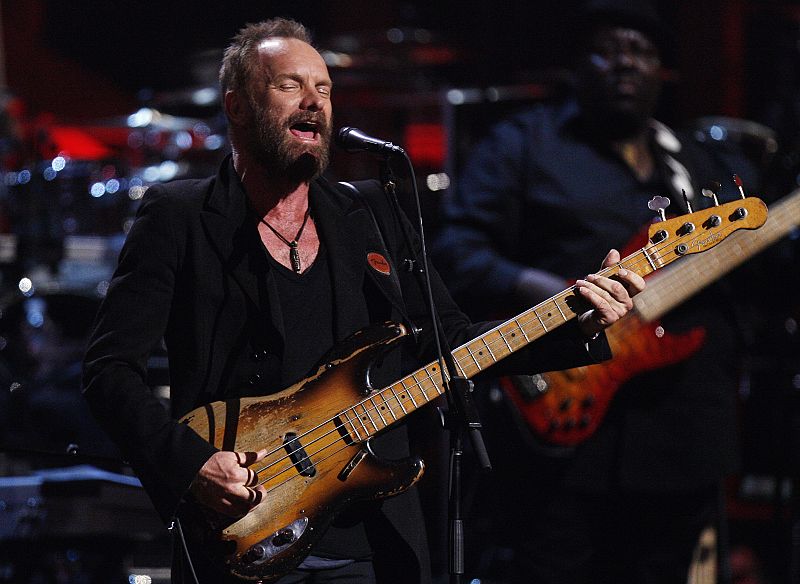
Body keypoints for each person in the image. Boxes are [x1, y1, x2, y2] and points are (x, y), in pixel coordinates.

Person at [81, 17, 643, 584]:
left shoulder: (370, 213)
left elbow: (447, 342)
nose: (313, 102)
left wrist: (576, 318)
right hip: (243, 532)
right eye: (289, 85)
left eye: (323, 89)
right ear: (237, 106)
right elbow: (109, 372)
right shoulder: (178, 217)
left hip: (370, 542)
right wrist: (191, 466)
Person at [433, 2, 761, 583]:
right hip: (562, 429)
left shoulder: (697, 163)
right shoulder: (523, 145)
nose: (625, 64)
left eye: (642, 52)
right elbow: (457, 252)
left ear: (666, 72)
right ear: (576, 67)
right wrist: (559, 297)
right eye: (608, 50)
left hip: (682, 434)